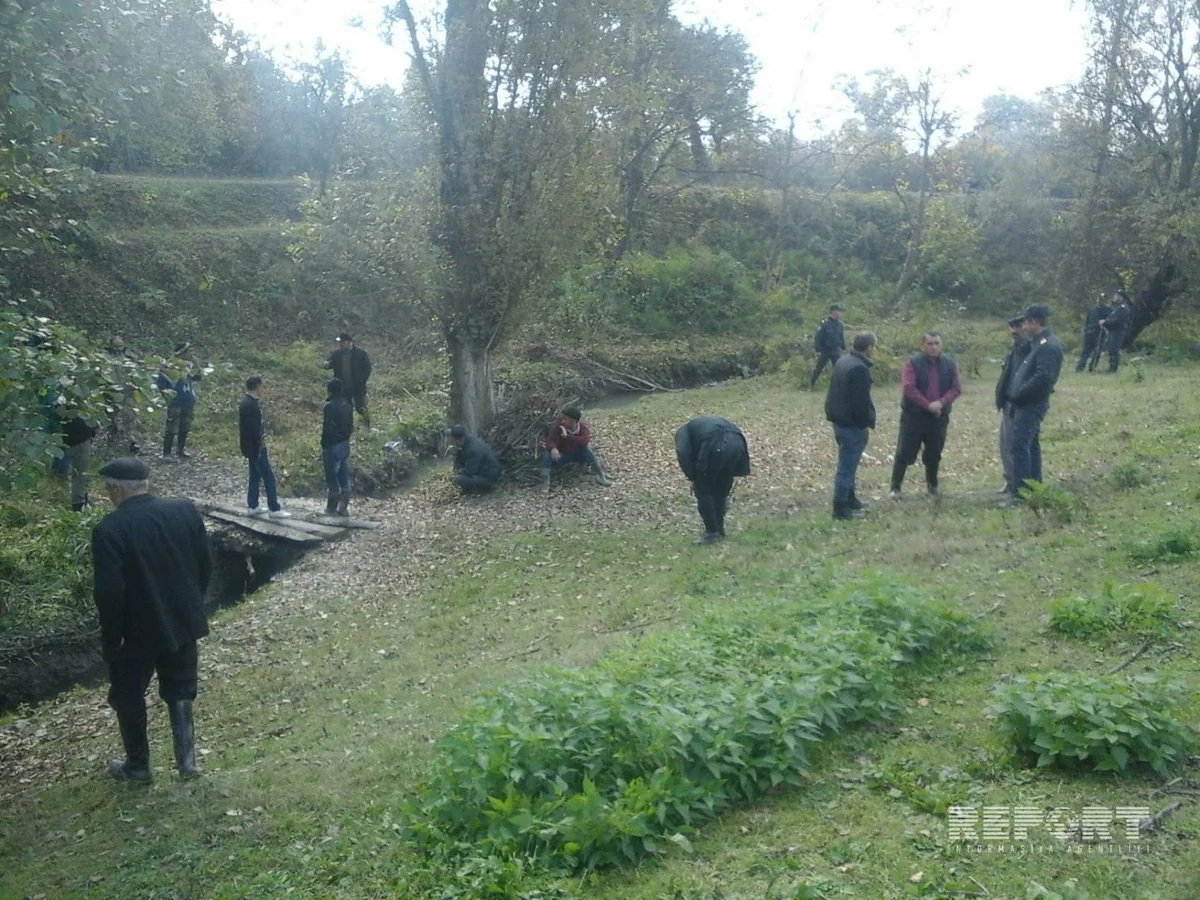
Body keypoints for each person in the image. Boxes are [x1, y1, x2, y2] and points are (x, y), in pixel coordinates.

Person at [91, 457, 212, 782]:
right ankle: (187, 763)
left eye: (107, 489)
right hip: (182, 620)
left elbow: (110, 592)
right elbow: (205, 562)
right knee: (181, 688)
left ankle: (139, 766)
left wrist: (111, 636)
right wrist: (193, 603)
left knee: (128, 695)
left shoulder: (109, 530)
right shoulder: (183, 510)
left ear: (117, 488)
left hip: (135, 631)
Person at [889, 331, 963, 498]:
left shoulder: (949, 364)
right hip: (914, 416)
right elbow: (909, 388)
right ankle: (895, 487)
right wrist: (927, 405)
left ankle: (932, 486)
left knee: (934, 452)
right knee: (905, 451)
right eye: (930, 344)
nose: (934, 347)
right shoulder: (913, 363)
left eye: (936, 343)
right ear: (923, 345)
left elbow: (956, 388)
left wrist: (941, 403)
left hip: (939, 417)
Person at [1003, 304, 1064, 507]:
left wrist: (1018, 393)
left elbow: (1043, 378)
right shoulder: (1037, 343)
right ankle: (1035, 487)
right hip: (1025, 403)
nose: (1024, 328)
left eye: (1026, 323)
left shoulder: (1048, 346)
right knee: (1030, 446)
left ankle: (1020, 495)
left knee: (1019, 447)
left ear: (1034, 322)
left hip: (1031, 404)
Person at [824, 332, 877, 520]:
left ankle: (850, 499)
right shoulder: (859, 369)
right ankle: (840, 509)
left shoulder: (843, 360)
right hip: (851, 424)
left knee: (850, 464)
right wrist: (864, 424)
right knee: (846, 467)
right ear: (869, 347)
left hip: (839, 420)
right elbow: (860, 402)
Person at [674, 416, 751, 544]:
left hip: (715, 443)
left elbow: (683, 453)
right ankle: (719, 530)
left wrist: (693, 477)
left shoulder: (683, 432)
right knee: (720, 491)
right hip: (738, 441)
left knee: (703, 491)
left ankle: (712, 533)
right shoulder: (699, 427)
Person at [238, 376, 290, 519]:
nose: (263, 390)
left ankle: (253, 505)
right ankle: (274, 508)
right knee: (268, 477)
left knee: (254, 476)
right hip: (256, 447)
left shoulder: (245, 402)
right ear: (257, 387)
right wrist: (261, 443)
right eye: (261, 387)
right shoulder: (251, 405)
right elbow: (254, 429)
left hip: (249, 446)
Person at [994, 313, 1030, 495]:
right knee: (1005, 445)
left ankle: (1020, 485)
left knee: (1018, 446)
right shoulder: (1013, 349)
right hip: (1009, 401)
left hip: (1022, 402)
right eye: (1012, 327)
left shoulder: (1032, 349)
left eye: (1018, 326)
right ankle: (1010, 481)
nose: (1014, 330)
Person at [538, 406, 614, 492]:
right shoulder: (559, 427)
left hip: (577, 456)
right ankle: (545, 482)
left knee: (587, 449)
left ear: (574, 421)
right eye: (563, 418)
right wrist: (553, 448)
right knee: (547, 454)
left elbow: (584, 441)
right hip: (562, 456)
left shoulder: (582, 429)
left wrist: (568, 437)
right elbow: (551, 440)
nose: (563, 421)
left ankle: (600, 476)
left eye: (566, 419)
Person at [156, 342, 202, 459]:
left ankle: (180, 450)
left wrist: (197, 367)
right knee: (171, 427)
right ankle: (166, 453)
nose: (192, 354)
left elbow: (197, 377)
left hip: (188, 399)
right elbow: (161, 382)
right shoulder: (170, 365)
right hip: (175, 400)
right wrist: (167, 395)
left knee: (185, 426)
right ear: (183, 352)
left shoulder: (189, 365)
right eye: (189, 351)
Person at [323, 333, 373, 431]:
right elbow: (330, 364)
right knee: (346, 408)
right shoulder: (336, 354)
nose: (340, 344)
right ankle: (349, 427)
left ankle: (368, 426)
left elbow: (367, 368)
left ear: (349, 342)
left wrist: (361, 381)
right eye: (339, 343)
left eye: (342, 342)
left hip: (357, 386)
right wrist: (326, 365)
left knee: (361, 407)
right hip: (342, 387)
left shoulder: (360, 353)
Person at [321, 378, 355, 515]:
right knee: (343, 474)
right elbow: (350, 426)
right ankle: (343, 508)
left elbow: (327, 429)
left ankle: (331, 509)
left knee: (332, 477)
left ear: (330, 391)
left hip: (332, 445)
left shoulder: (329, 406)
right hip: (345, 444)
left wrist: (324, 444)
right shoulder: (347, 405)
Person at [448, 424, 502, 494]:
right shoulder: (470, 440)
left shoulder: (472, 450)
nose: (452, 442)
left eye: (453, 440)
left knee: (458, 479)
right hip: (485, 472)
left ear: (457, 440)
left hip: (490, 478)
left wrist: (458, 472)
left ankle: (482, 489)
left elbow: (469, 471)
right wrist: (457, 453)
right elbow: (465, 461)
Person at [809, 303, 847, 389]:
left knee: (839, 369)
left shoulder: (840, 324)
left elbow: (841, 337)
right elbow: (818, 337)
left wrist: (844, 348)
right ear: (833, 312)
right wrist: (817, 350)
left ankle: (840, 386)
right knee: (818, 368)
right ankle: (811, 385)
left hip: (835, 350)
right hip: (825, 350)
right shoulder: (824, 323)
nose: (841, 314)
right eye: (839, 311)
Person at [1075, 295, 1110, 373]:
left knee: (1097, 352)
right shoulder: (1092, 309)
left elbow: (1107, 321)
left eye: (1102, 299)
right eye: (1099, 299)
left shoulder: (1107, 310)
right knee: (1086, 351)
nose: (1100, 301)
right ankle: (1080, 367)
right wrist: (1086, 330)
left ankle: (1091, 367)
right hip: (1090, 332)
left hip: (1099, 333)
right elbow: (1087, 321)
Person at [1100, 291, 1132, 373]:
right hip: (1112, 331)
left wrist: (1106, 322)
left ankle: (1113, 369)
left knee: (1114, 349)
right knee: (1111, 349)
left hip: (1118, 331)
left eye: (1116, 295)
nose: (1114, 297)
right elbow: (1110, 318)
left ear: (1121, 297)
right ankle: (1111, 367)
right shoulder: (1116, 308)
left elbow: (1117, 321)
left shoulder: (1123, 308)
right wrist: (1104, 323)